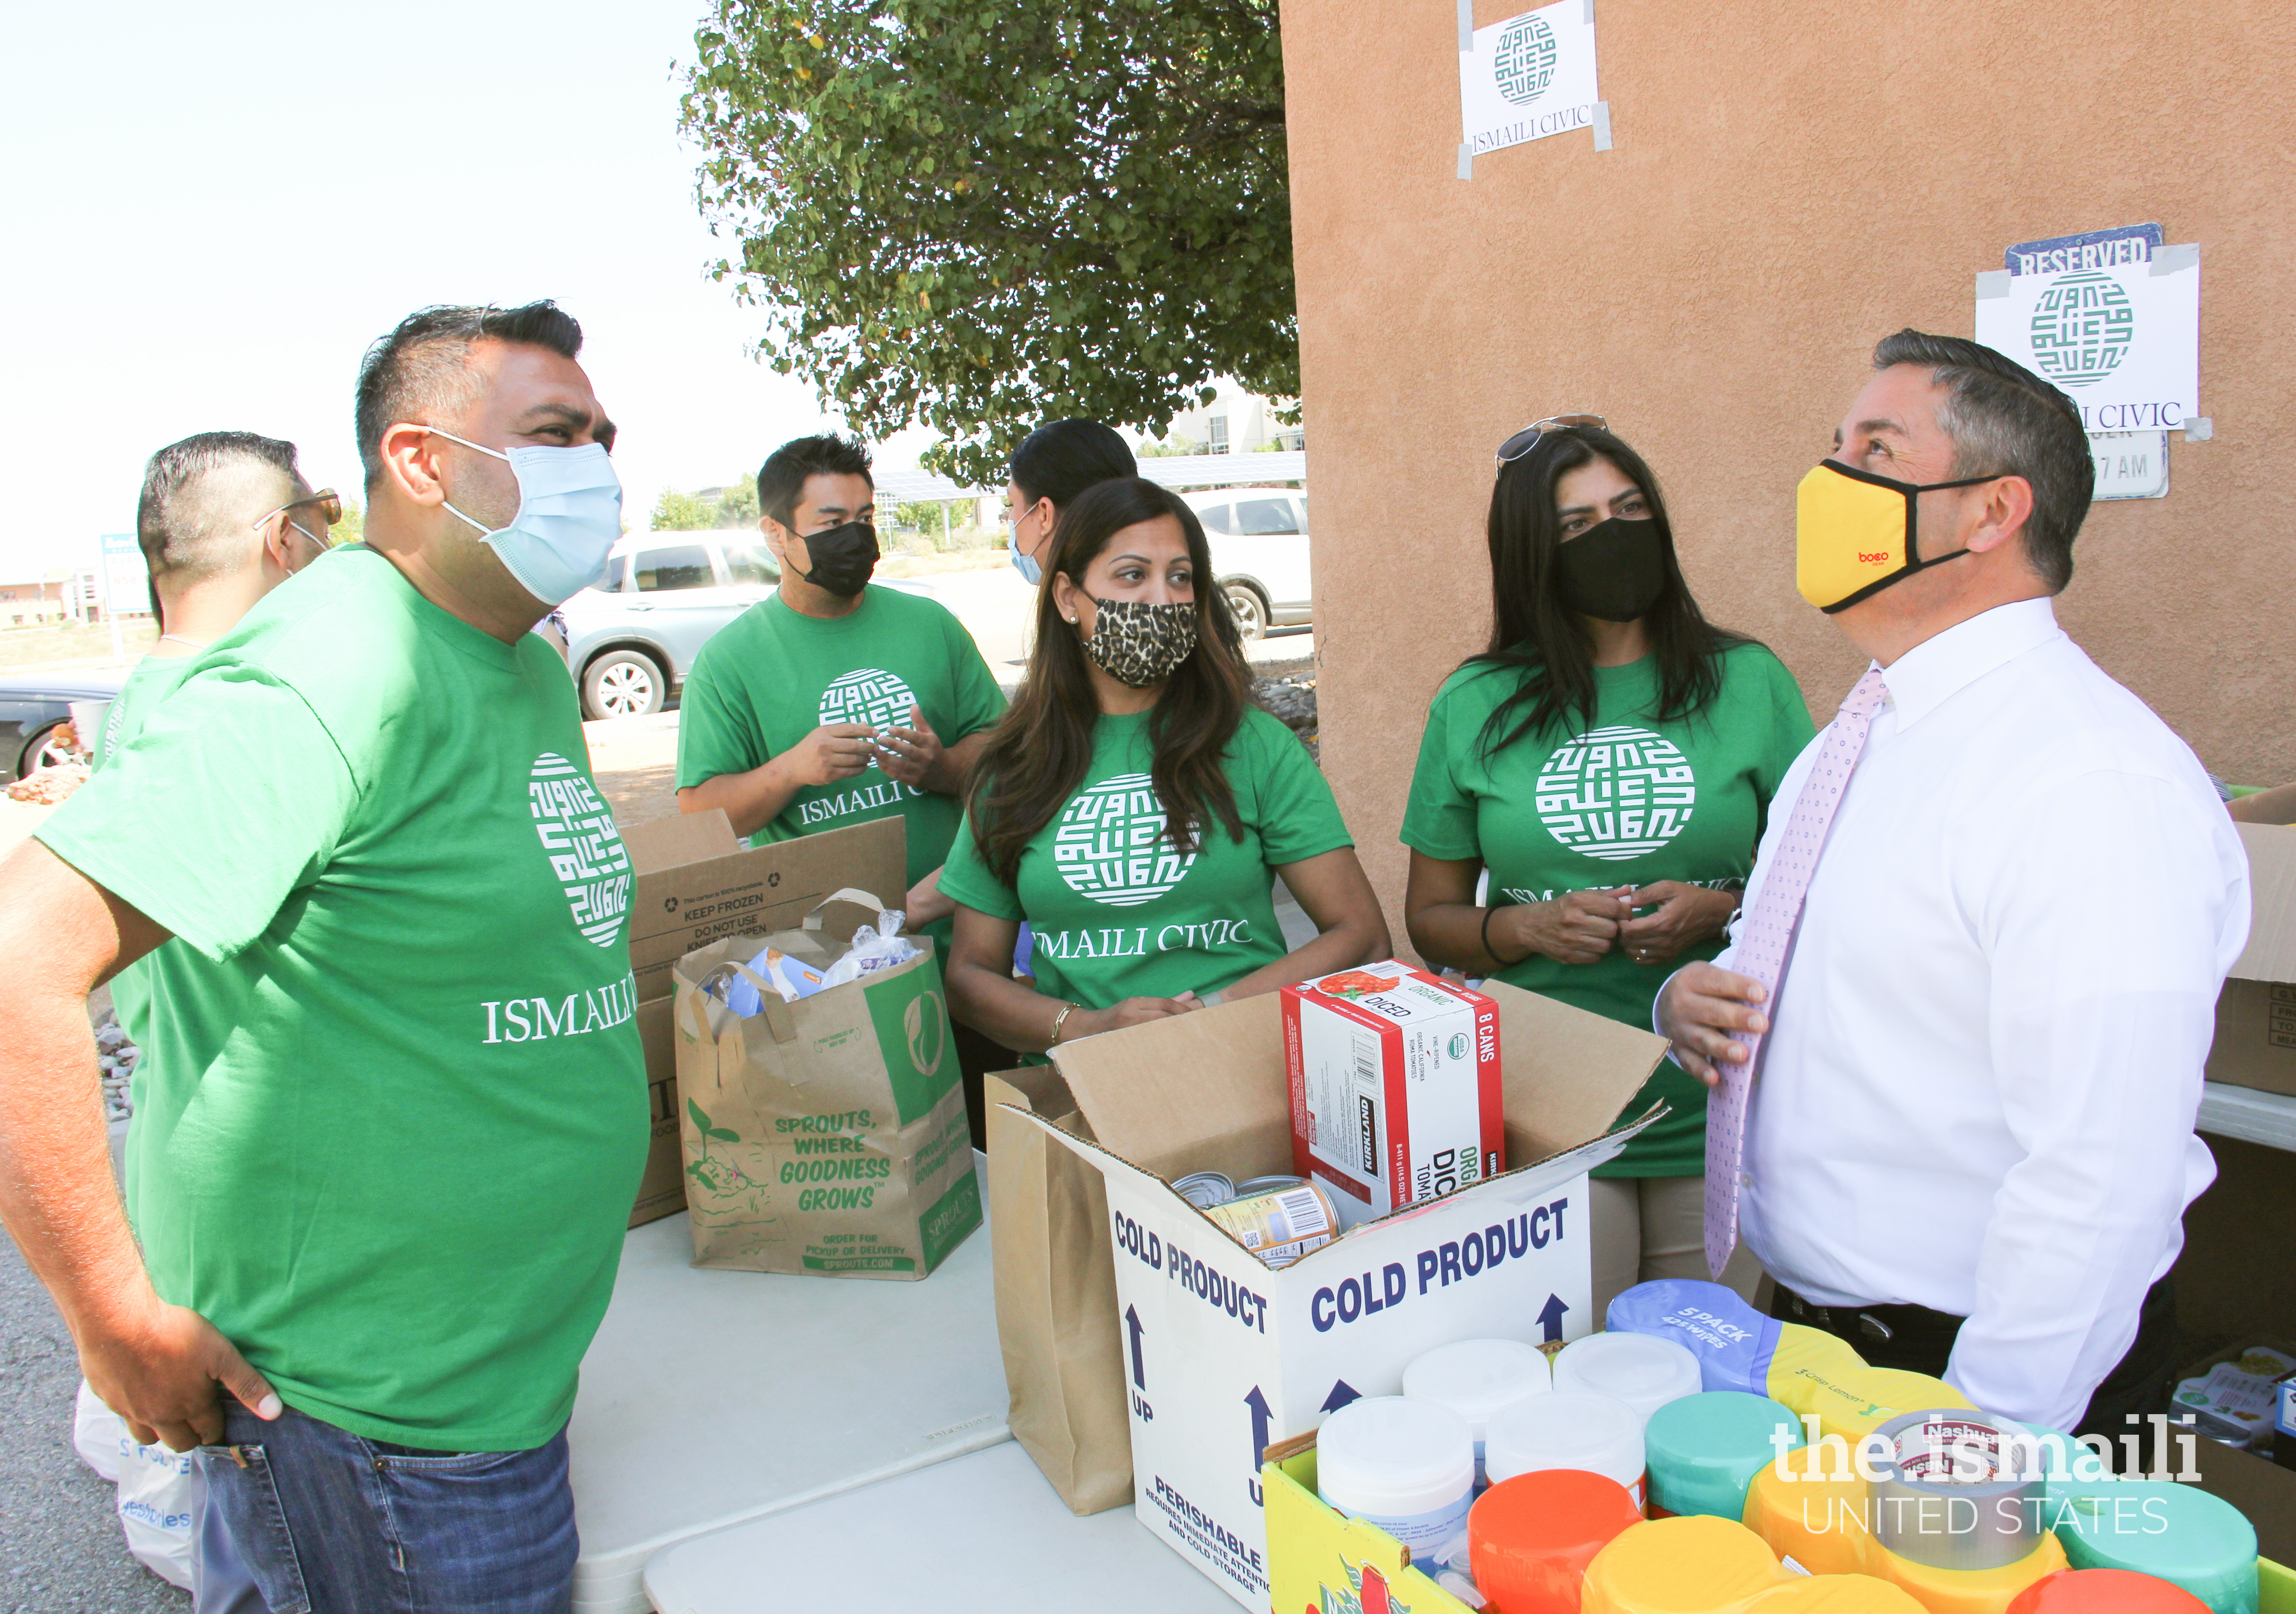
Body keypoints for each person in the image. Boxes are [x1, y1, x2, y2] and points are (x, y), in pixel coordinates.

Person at [0, 300, 648, 1611]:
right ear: (420, 463)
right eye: (555, 432)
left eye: (603, 435)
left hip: (485, 1390)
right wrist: (115, 1320)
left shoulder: (510, 662)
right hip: (376, 1437)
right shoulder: (330, 670)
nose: (598, 465)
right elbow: (21, 963)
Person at [1657, 330, 2247, 1443]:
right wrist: (1695, 995)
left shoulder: (2086, 780)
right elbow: (1815, 961)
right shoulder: (1869, 728)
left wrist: (1977, 1439)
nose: (1826, 483)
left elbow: (2100, 1179)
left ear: (1992, 512)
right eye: (1833, 446)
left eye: (1875, 451)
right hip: (1823, 1336)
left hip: (1979, 1377)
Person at [1399, 418, 1814, 1316]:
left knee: (1706, 1391)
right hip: (1544, 1109)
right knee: (1567, 1387)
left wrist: (1724, 909)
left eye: (1630, 510)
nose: (1614, 536)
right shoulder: (1474, 703)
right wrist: (1520, 927)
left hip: (1717, 1101)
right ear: (1529, 554)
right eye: (1578, 525)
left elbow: (1828, 883)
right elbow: (1428, 917)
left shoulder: (1750, 681)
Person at [940, 476, 1389, 1053]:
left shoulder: (1254, 744)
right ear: (1066, 598)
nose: (1163, 598)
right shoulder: (1014, 764)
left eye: (1180, 577)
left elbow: (1361, 934)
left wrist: (1213, 1014)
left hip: (1254, 1071)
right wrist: (1086, 1027)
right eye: (1132, 575)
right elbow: (970, 976)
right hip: (1085, 1093)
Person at [674, 433, 1009, 1129]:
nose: (854, 539)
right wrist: (792, 770)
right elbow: (699, 815)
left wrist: (941, 766)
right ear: (775, 534)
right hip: (824, 976)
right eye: (831, 525)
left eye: (864, 521)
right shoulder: (731, 662)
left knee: (983, 1148)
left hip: (965, 953)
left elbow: (1011, 759)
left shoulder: (929, 626)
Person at [1004, 418, 1138, 584]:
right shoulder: (1153, 596)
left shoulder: (1081, 606)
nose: (1010, 519)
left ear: (1045, 515)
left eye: (1011, 504)